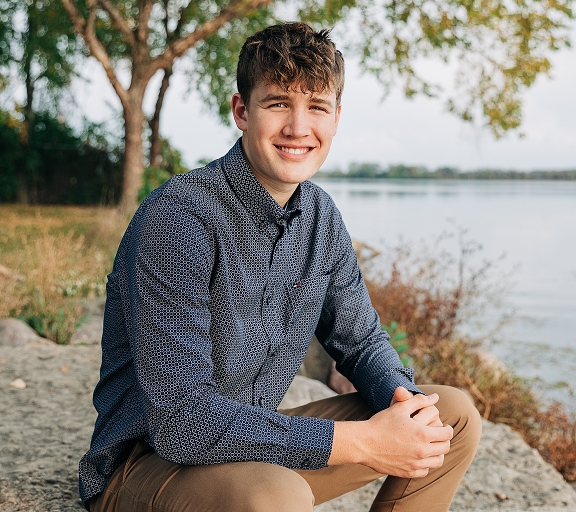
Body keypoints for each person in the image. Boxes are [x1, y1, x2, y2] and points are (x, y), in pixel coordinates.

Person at [79, 22, 481, 512]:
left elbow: (360, 341)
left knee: (450, 418)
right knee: (278, 495)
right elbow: (181, 420)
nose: (297, 127)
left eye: (316, 106)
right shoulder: (180, 219)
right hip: (147, 465)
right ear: (242, 111)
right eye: (277, 104)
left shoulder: (320, 216)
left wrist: (404, 406)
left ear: (336, 117)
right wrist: (365, 442)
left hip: (248, 448)